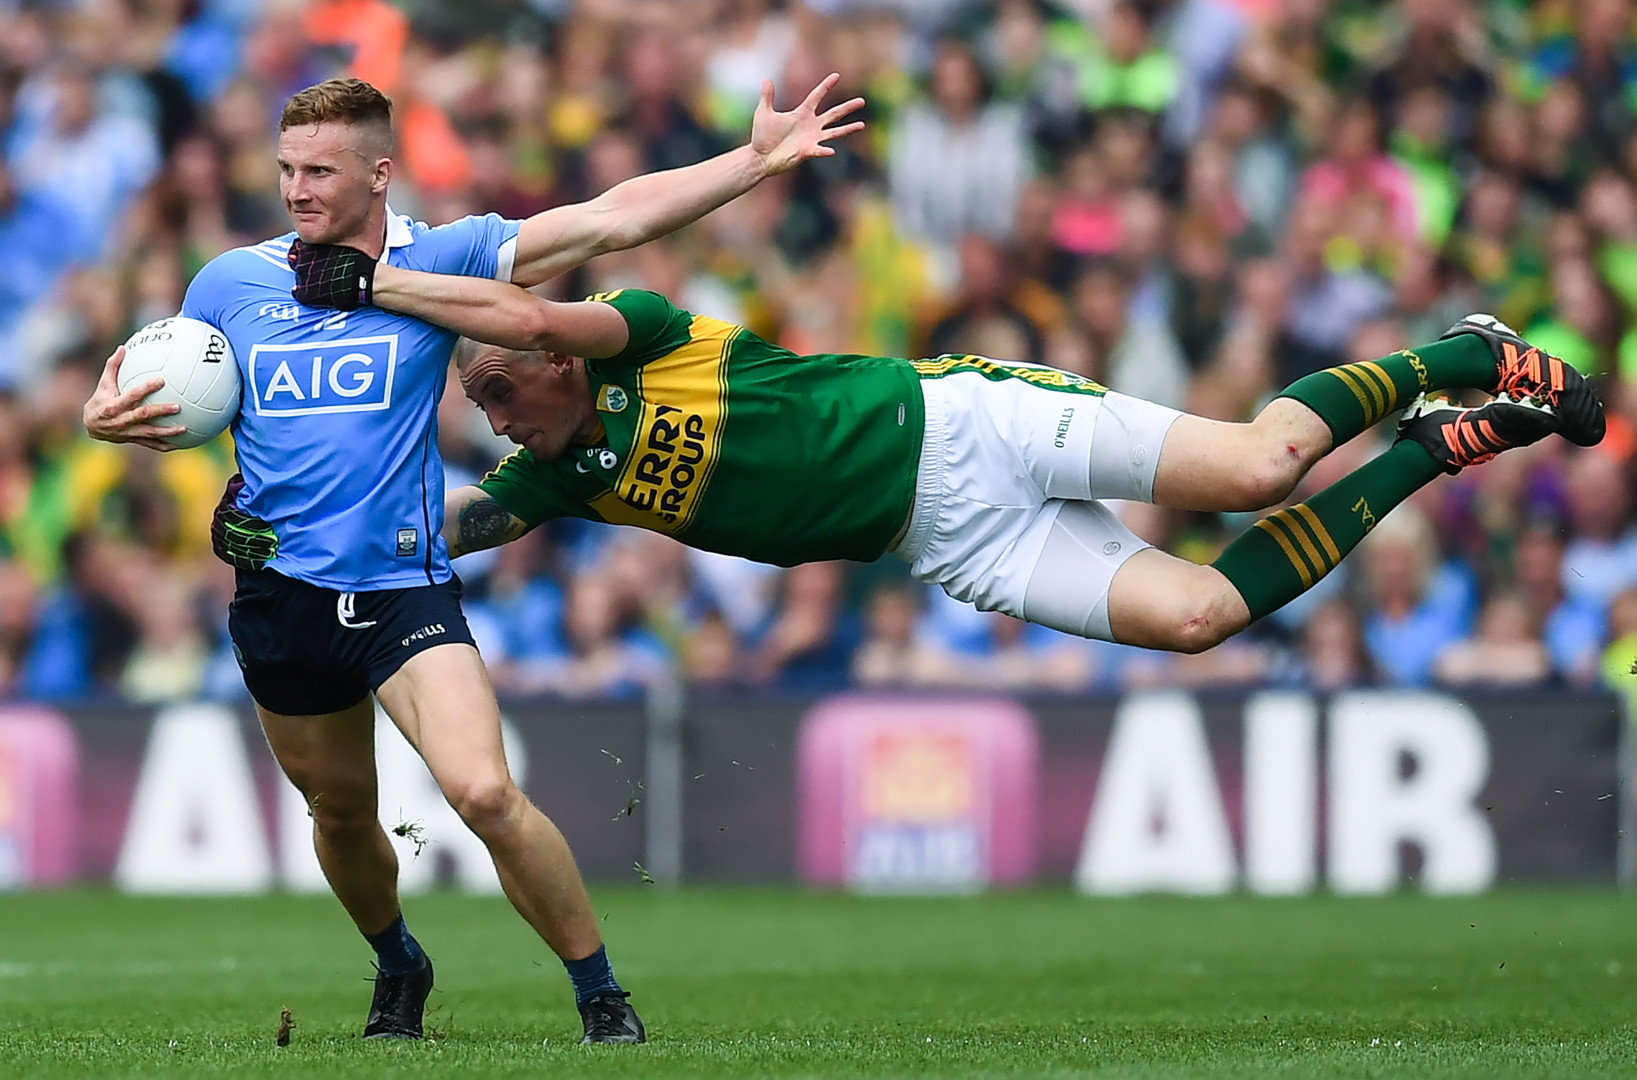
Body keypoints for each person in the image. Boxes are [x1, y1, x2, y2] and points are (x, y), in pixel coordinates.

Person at [80, 74, 864, 1044]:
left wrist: (753, 161)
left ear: (379, 172)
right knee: (340, 810)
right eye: (285, 169)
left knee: (485, 791)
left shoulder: (442, 261)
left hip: (404, 589)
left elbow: (607, 222)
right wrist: (102, 418)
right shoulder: (229, 283)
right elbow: (164, 393)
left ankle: (599, 995)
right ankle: (398, 961)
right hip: (277, 595)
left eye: (319, 170)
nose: (296, 190)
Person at [253, 245, 1606, 668]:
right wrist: (317, 534)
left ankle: (1459, 353)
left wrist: (379, 290)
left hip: (966, 419)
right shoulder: (561, 476)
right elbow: (466, 529)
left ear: (553, 362)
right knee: (1200, 614)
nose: (493, 408)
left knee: (1258, 470)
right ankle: (1439, 448)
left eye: (497, 385)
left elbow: (538, 310)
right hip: (949, 538)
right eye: (479, 403)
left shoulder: (639, 337)